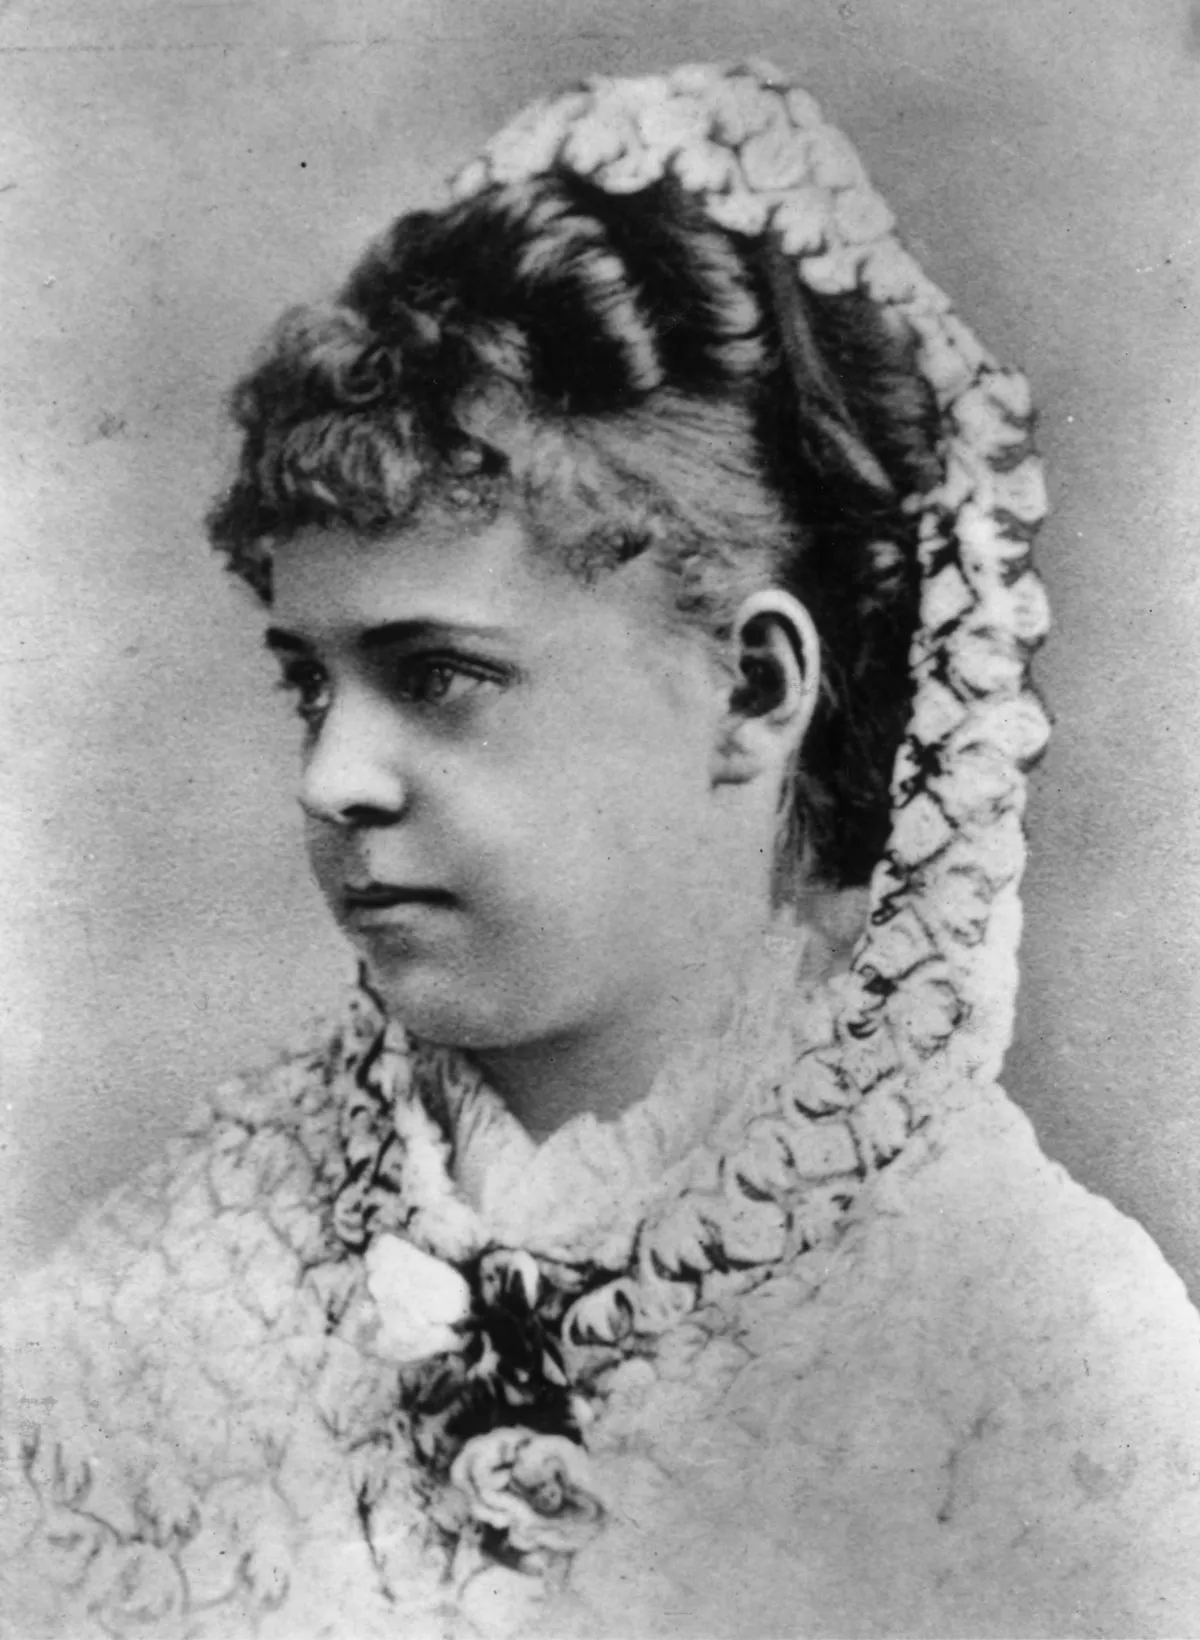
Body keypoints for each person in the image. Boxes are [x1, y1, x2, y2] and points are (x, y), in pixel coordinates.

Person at [3, 60, 1199, 1640]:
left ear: (753, 688)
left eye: (438, 675)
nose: (335, 779)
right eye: (311, 682)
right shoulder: (144, 1312)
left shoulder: (1047, 1366)